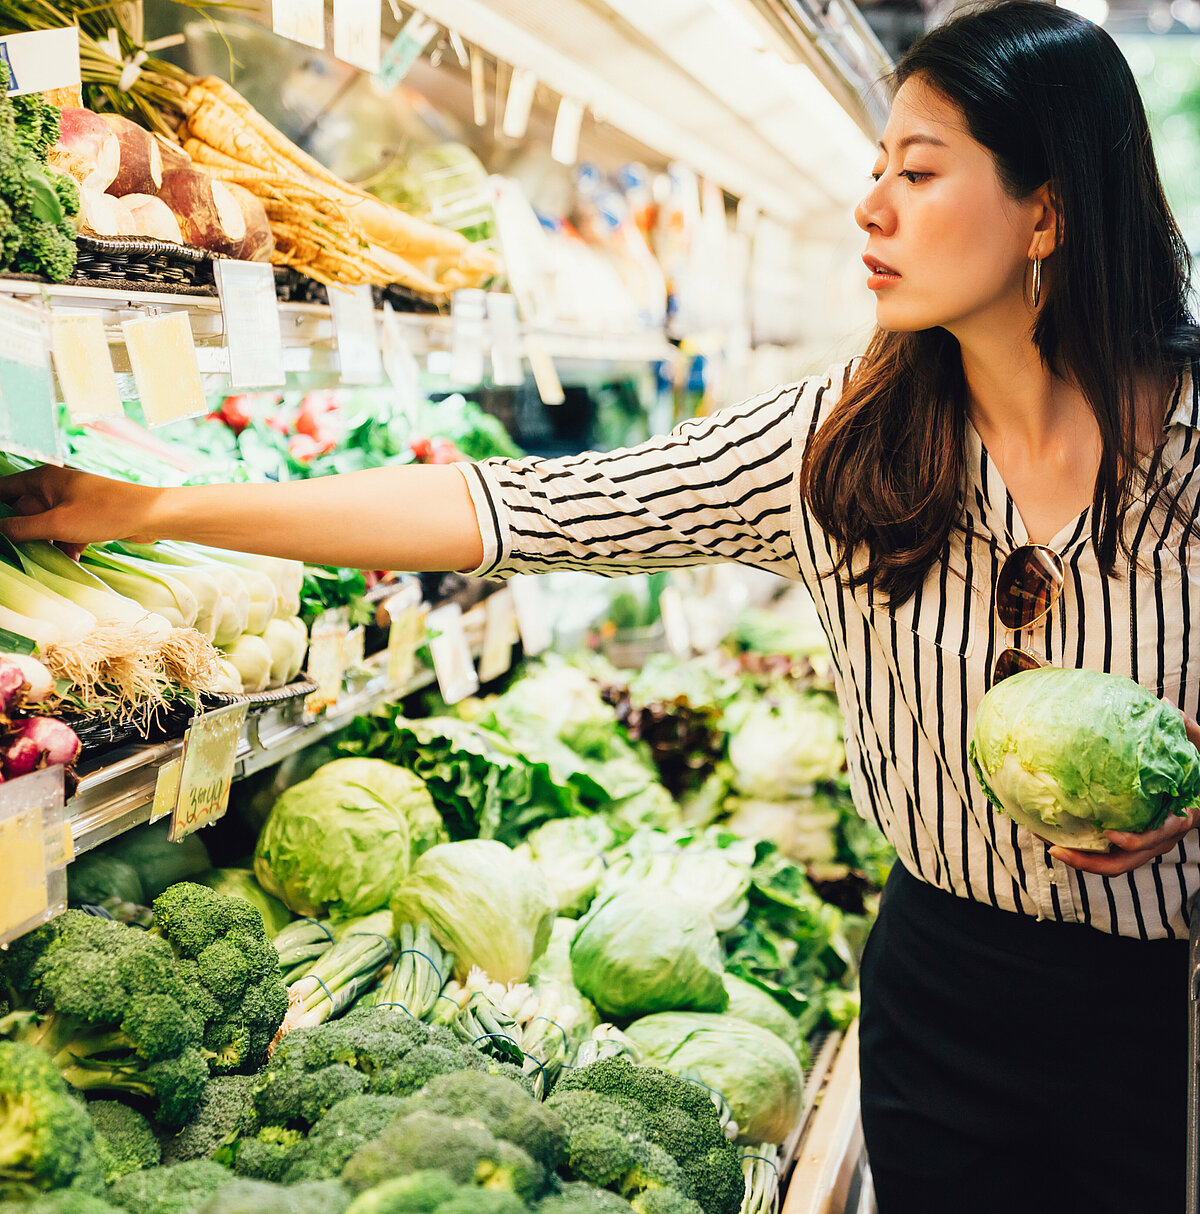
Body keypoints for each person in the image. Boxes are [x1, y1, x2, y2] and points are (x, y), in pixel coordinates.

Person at [3, 2, 1198, 1209]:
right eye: (876, 166)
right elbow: (515, 507)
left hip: (1175, 999)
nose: (871, 206)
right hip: (945, 990)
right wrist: (149, 508)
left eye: (920, 171)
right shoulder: (839, 452)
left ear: (1046, 209)